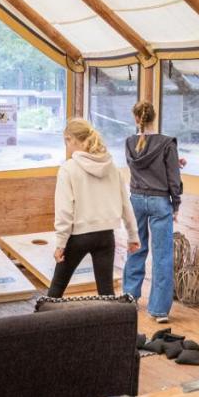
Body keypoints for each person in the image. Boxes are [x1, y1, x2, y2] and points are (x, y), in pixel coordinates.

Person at [51, 118, 139, 298]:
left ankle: (41, 317)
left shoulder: (68, 169)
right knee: (106, 292)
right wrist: (133, 236)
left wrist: (60, 243)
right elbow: (125, 204)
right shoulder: (112, 167)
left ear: (70, 140)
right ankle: (112, 318)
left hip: (78, 236)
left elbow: (64, 211)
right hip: (106, 236)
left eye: (66, 142)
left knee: (57, 289)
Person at [124, 101, 183, 324]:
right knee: (162, 256)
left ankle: (130, 297)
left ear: (136, 118)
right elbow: (173, 178)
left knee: (136, 248)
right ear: (154, 117)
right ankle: (159, 310)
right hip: (160, 201)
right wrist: (176, 204)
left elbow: (138, 167)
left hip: (136, 199)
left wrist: (173, 163)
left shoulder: (129, 142)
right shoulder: (167, 143)